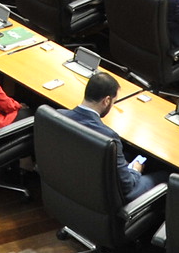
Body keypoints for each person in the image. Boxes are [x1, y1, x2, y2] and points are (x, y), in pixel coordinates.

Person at [65, 71, 160, 202]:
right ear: (107, 101)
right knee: (165, 175)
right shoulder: (108, 137)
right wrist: (135, 170)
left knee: (128, 154)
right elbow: (127, 185)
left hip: (72, 178)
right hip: (105, 196)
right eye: (113, 102)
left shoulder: (58, 115)